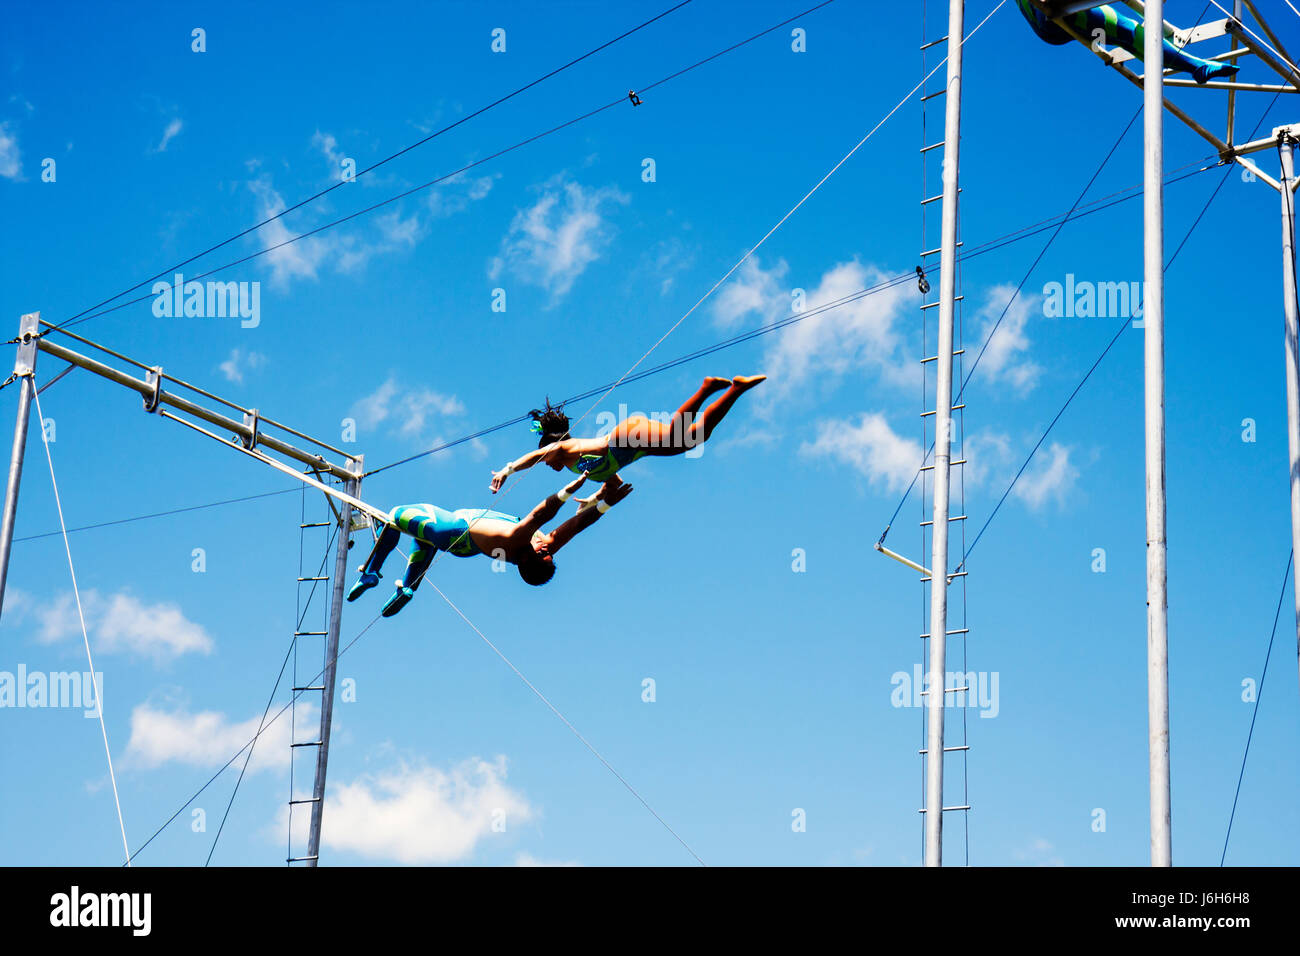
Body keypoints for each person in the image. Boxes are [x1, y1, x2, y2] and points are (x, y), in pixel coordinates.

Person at [347, 474, 631, 616]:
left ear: (527, 561)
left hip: (454, 528)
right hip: (462, 546)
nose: (548, 550)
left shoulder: (517, 542)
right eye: (549, 554)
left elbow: (540, 513)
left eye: (544, 555)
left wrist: (573, 487)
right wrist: (606, 504)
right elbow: (580, 525)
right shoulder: (543, 545)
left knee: (395, 516)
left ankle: (372, 572)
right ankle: (408, 588)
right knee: (423, 539)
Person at [489, 374, 766, 492]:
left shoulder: (563, 449)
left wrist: (507, 469)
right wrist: (593, 502)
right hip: (635, 447)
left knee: (675, 434)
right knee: (692, 440)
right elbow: (611, 481)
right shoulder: (581, 470)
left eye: (546, 461)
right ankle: (736, 389)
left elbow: (533, 456)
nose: (546, 464)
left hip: (624, 437)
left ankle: (706, 388)